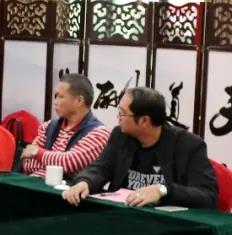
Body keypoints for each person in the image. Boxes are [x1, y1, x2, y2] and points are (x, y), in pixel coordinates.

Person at [62, 87, 217, 209]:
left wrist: (162, 190)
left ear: (144, 121)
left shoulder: (188, 145)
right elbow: (101, 167)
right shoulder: (120, 135)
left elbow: (207, 195)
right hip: (122, 214)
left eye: (122, 113)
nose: (118, 118)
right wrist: (85, 182)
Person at [21, 73, 110, 178]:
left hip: (67, 188)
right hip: (36, 183)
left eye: (61, 97)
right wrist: (53, 161)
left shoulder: (99, 133)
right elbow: (28, 163)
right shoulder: (48, 126)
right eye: (56, 96)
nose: (55, 102)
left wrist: (36, 152)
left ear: (79, 101)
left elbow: (69, 162)